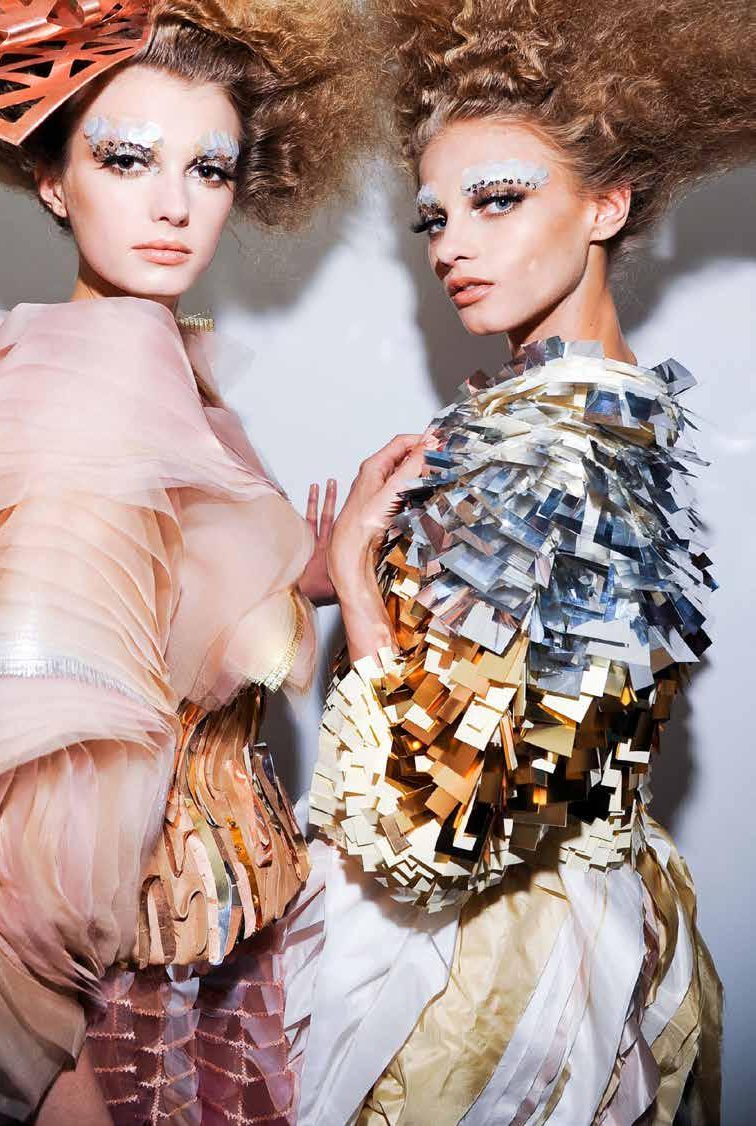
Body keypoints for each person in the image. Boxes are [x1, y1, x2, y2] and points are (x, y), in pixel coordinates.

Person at [0, 1, 356, 1121]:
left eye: (210, 168)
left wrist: (311, 575)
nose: (174, 205)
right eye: (127, 158)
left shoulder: (156, 376)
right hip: (105, 1010)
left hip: (203, 960)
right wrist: (62, 1094)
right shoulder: (81, 394)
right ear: (52, 178)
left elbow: (157, 626)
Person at [301, 0, 755, 1122]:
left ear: (607, 203)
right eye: (435, 216)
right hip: (535, 928)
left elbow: (442, 827)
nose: (451, 245)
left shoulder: (567, 452)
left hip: (493, 973)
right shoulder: (557, 420)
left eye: (497, 199)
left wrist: (357, 577)